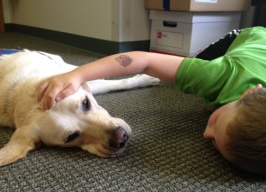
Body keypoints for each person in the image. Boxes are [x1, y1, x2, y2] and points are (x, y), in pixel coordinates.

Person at [37, 26, 266, 175]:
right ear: (249, 93)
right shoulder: (219, 74)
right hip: (252, 37)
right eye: (216, 125)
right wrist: (79, 74)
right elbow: (143, 61)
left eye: (213, 142)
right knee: (193, 63)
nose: (206, 134)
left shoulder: (249, 106)